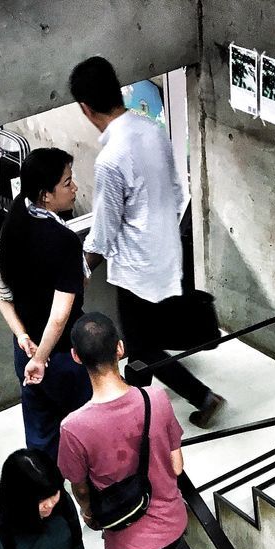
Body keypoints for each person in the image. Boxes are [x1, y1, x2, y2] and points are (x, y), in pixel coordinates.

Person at [70, 55, 225, 428]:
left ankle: (202, 397)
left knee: (140, 346)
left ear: (86, 108)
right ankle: (136, 405)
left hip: (136, 270)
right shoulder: (152, 129)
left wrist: (81, 268)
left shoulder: (110, 159)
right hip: (167, 254)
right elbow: (176, 191)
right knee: (143, 341)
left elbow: (104, 232)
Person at [59, 312, 186, 549]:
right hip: (173, 523)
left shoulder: (74, 428)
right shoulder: (157, 399)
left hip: (128, 542)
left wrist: (87, 512)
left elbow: (79, 488)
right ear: (120, 349)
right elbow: (177, 466)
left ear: (76, 358)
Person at [0, 147, 92, 457]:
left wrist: (23, 337)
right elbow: (60, 316)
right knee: (87, 431)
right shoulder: (63, 240)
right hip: (62, 357)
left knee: (40, 436)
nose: (74, 188)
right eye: (67, 182)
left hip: (25, 350)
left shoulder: (15, 218)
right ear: (46, 195)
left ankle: (44, 495)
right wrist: (42, 358)